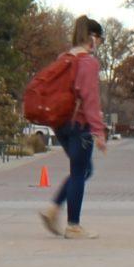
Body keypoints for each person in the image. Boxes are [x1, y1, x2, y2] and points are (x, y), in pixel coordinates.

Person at [38, 17, 107, 240]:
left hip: (61, 124)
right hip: (80, 125)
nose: (100, 44)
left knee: (84, 170)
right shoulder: (88, 62)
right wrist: (98, 131)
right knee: (80, 172)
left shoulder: (64, 58)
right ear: (93, 38)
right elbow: (90, 99)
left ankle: (53, 209)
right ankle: (73, 225)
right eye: (101, 40)